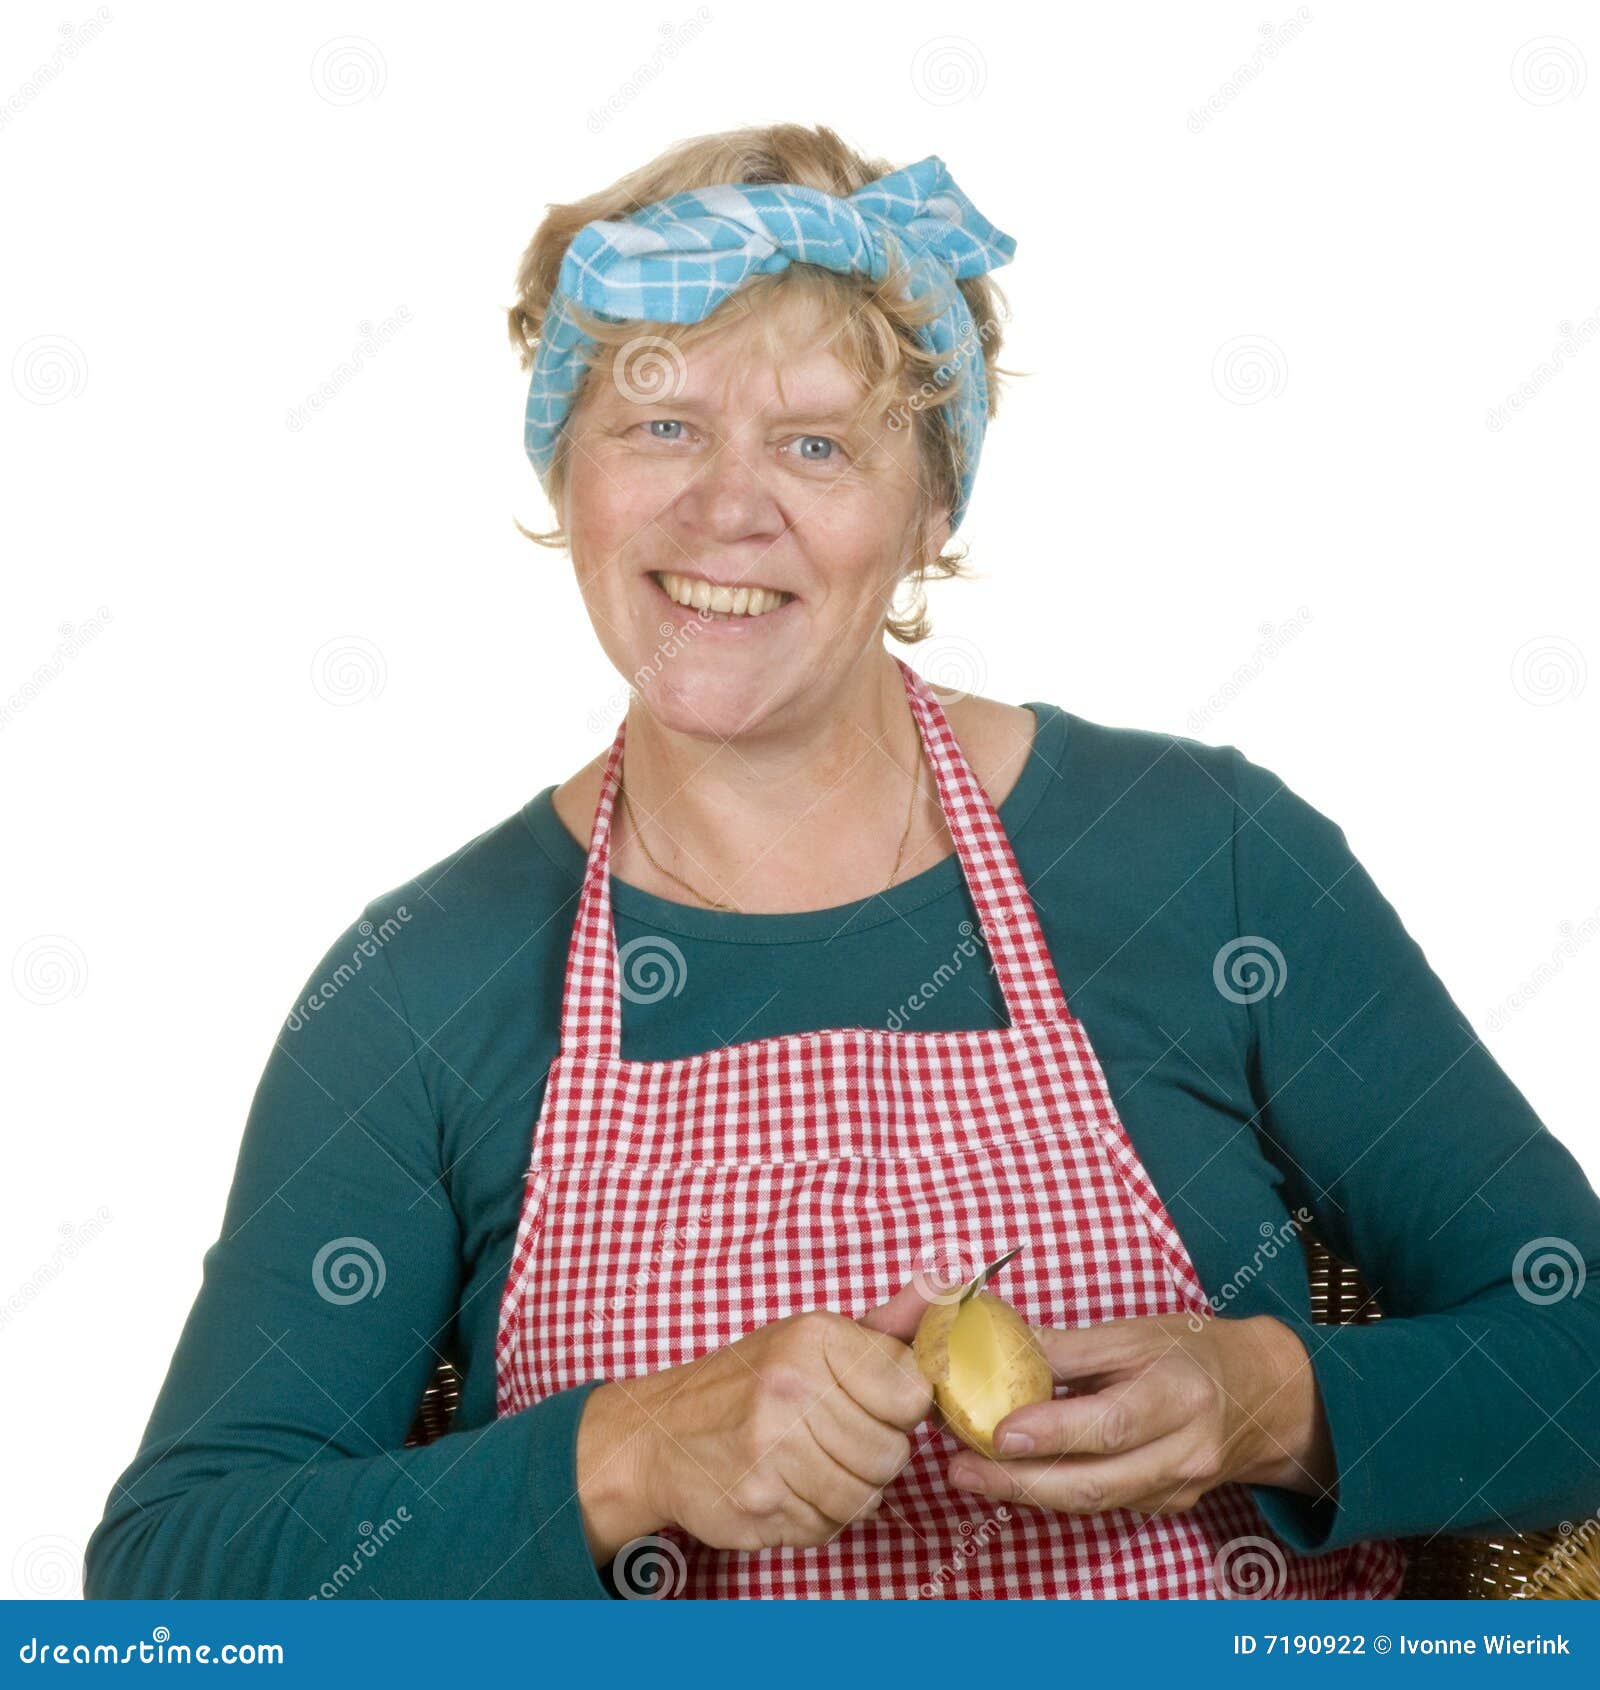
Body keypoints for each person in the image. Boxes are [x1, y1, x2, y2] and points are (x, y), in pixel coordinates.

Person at [85, 123, 1600, 1601]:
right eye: (660, 423)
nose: (726, 507)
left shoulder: (1205, 860)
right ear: (567, 470)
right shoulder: (422, 983)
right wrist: (625, 1453)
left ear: (932, 505)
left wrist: (1273, 1399)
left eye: (815, 441)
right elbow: (171, 1583)